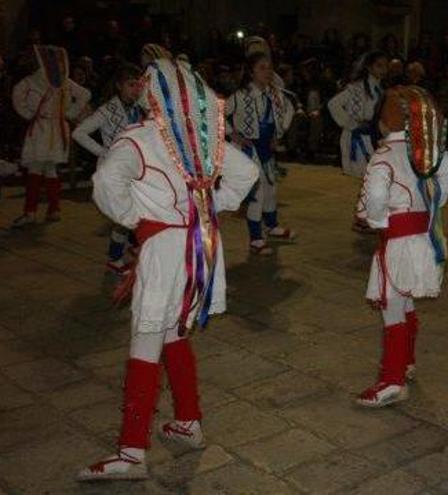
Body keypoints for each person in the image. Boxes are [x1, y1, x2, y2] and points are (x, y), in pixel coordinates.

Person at [77, 59, 258, 481]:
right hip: (200, 246)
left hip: (162, 248)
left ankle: (131, 451)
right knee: (174, 330)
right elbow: (246, 171)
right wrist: (215, 205)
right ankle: (189, 421)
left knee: (146, 337)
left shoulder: (140, 137)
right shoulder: (201, 137)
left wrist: (134, 216)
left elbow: (105, 184)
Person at [353, 86, 448, 407]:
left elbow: (374, 197)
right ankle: (407, 362)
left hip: (398, 242)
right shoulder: (424, 152)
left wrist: (375, 220)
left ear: (385, 123)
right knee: (405, 302)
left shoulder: (384, 155)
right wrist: (434, 201)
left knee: (392, 310)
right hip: (422, 240)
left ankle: (392, 380)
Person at [72, 63, 144, 273]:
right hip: (115, 172)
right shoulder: (107, 110)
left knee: (135, 212)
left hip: (133, 169)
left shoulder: (138, 108)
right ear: (119, 85)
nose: (136, 89)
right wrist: (104, 152)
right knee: (122, 217)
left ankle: (131, 249)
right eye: (131, 85)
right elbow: (79, 133)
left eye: (138, 85)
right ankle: (115, 259)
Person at [11, 45, 91, 228]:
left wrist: (27, 113)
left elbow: (17, 94)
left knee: (36, 169)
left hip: (43, 129)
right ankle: (54, 209)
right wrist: (69, 113)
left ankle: (31, 212)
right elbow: (85, 94)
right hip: (54, 129)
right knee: (49, 169)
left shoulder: (38, 80)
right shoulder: (58, 81)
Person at [226, 51, 296, 254]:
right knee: (257, 192)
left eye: (269, 67)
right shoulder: (240, 96)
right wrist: (233, 135)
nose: (267, 72)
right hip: (249, 149)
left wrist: (278, 132)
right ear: (250, 72)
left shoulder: (275, 94)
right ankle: (256, 237)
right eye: (262, 68)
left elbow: (289, 109)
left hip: (267, 147)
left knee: (272, 187)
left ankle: (272, 225)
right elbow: (216, 113)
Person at [328, 50, 388, 177]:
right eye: (379, 65)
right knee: (362, 178)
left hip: (373, 136)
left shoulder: (381, 90)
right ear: (369, 67)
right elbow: (333, 104)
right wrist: (351, 124)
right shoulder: (356, 88)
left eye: (385, 66)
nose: (383, 69)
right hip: (357, 138)